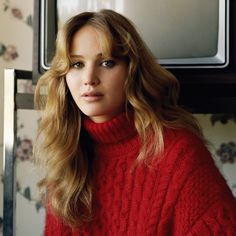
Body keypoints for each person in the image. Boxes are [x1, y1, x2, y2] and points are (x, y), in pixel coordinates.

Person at [34, 9, 236, 235]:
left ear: (132, 70)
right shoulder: (67, 149)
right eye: (77, 64)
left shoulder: (179, 153)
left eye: (107, 63)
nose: (89, 79)